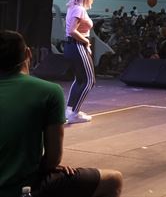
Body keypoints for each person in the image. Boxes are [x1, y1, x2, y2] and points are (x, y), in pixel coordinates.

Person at [0, 30, 123, 197]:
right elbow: (53, 159)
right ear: (28, 53)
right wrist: (48, 167)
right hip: (19, 189)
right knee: (113, 180)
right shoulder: (48, 91)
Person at [64, 0, 97, 124]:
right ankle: (74, 113)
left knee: (79, 79)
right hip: (77, 45)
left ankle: (70, 110)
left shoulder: (73, 8)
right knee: (89, 80)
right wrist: (86, 42)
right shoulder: (79, 9)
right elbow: (72, 31)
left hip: (72, 46)